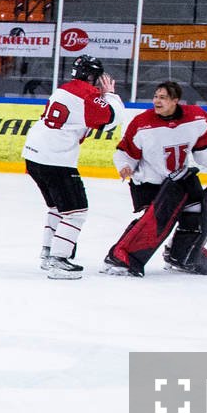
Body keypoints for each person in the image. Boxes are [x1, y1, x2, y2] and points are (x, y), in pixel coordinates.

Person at [104, 80, 207, 276]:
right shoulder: (142, 123)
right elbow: (126, 150)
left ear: (175, 101)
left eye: (163, 97)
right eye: (155, 96)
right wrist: (125, 166)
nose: (156, 101)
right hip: (149, 183)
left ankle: (180, 255)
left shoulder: (196, 118)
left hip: (179, 181)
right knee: (152, 223)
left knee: (195, 213)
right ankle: (120, 256)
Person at [21, 55, 124, 278]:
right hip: (55, 160)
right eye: (97, 77)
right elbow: (112, 119)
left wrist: (101, 97)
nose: (99, 81)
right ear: (90, 76)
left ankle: (49, 254)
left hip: (33, 155)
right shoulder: (87, 94)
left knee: (58, 208)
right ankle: (58, 261)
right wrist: (112, 96)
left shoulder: (65, 89)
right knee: (76, 211)